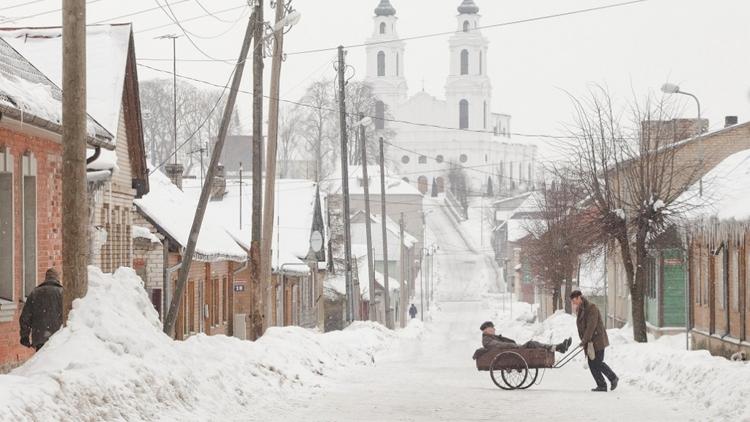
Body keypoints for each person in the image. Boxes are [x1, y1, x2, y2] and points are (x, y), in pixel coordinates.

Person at [570, 290, 619, 392]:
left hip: (598, 340)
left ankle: (613, 378)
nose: (573, 303)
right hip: (590, 342)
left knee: (597, 362)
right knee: (592, 364)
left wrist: (584, 340)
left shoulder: (592, 308)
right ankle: (601, 385)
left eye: (574, 300)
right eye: (572, 301)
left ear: (579, 297)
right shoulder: (580, 309)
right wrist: (584, 340)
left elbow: (591, 327)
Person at [19, 268, 63, 352]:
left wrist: (24, 336)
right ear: (58, 278)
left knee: (41, 363)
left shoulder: (34, 293)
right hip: (58, 338)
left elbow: (25, 317)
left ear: (46, 278)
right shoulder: (63, 293)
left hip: (40, 338)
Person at [480, 321, 571, 353]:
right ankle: (557, 347)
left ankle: (558, 348)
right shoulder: (487, 340)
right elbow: (500, 345)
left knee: (533, 344)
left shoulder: (490, 338)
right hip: (512, 351)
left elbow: (501, 344)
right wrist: (515, 345)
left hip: (512, 350)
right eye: (492, 328)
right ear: (486, 330)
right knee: (532, 343)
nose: (494, 329)